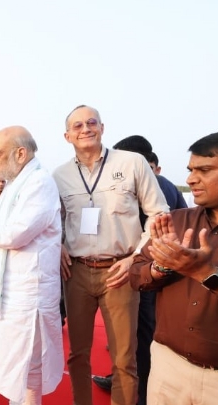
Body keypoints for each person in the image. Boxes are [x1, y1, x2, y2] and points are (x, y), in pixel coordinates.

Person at [130, 130, 218, 405]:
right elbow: (137, 275)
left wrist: (206, 274)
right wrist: (162, 266)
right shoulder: (176, 221)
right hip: (167, 368)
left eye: (205, 170)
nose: (191, 179)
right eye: (191, 169)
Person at [53, 106, 169, 405]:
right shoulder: (59, 175)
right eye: (77, 125)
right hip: (76, 272)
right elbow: (53, 221)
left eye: (92, 122)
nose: (85, 128)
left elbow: (159, 213)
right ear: (67, 136)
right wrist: (59, 244)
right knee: (77, 354)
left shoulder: (132, 163)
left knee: (124, 357)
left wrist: (135, 259)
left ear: (102, 127)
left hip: (120, 271)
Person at [0, 125, 64, 405]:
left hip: (29, 296)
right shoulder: (17, 184)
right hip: (10, 295)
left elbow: (14, 235)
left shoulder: (39, 183)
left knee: (28, 366)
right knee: (16, 365)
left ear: (20, 153)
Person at [92, 136, 187, 404]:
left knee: (142, 334)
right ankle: (125, 382)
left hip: (150, 272)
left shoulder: (155, 187)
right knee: (134, 334)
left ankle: (140, 394)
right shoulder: (153, 185)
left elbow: (156, 232)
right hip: (149, 269)